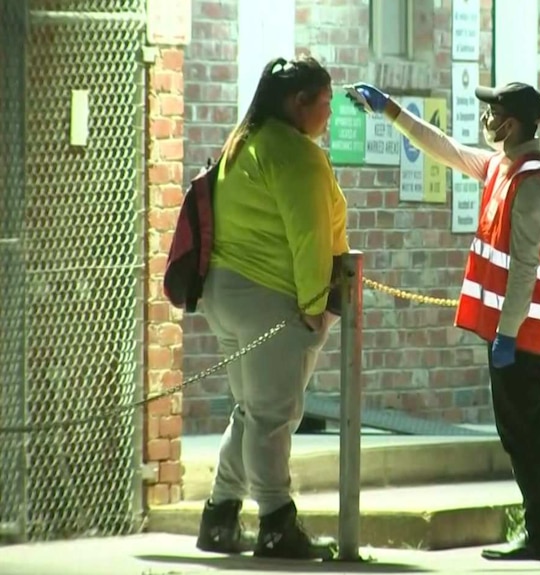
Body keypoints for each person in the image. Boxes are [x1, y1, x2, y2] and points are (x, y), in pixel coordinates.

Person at [347, 81, 540, 562]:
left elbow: (525, 269)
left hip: (520, 333)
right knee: (533, 425)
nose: (485, 120)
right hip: (516, 331)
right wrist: (391, 111)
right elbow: (444, 149)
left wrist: (507, 335)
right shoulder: (503, 167)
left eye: (492, 113)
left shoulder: (529, 181)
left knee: (521, 433)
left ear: (509, 124)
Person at [194, 55, 348, 560]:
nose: (329, 113)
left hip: (227, 293)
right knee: (274, 415)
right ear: (297, 102)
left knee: (251, 411)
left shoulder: (245, 140)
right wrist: (313, 307)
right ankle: (277, 522)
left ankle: (220, 516)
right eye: (324, 103)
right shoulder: (295, 154)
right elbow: (310, 237)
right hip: (272, 298)